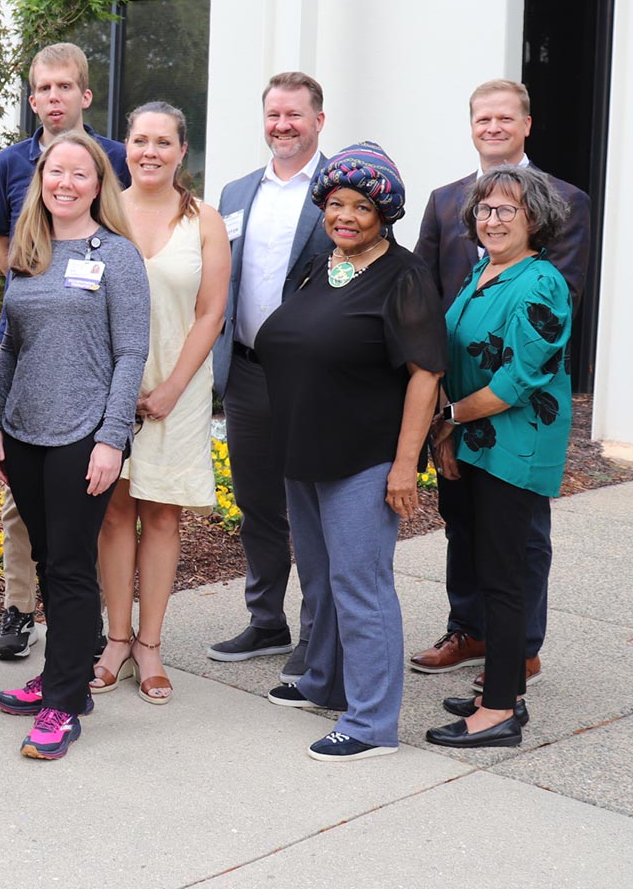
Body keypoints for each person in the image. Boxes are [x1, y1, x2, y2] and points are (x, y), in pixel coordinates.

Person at [259, 144, 446, 761]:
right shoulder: (320, 266)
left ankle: (370, 724)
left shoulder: (406, 275)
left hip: (363, 459)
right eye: (335, 203)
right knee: (320, 581)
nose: (345, 215)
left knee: (361, 586)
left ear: (384, 212)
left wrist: (403, 467)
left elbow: (424, 375)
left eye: (360, 206)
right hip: (304, 452)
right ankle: (324, 680)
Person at [408, 79, 591, 689]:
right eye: (482, 117)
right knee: (465, 528)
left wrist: (456, 410)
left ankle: (517, 652)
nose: (493, 127)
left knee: (517, 542)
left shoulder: (564, 203)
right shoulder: (445, 202)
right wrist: (431, 395)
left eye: (504, 117)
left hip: (508, 415)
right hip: (457, 407)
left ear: (526, 124)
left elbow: (549, 315)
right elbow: (428, 299)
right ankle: (473, 632)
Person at [0, 130, 149, 761]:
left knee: (72, 565)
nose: (66, 183)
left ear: (98, 184)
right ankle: (68, 676)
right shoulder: (26, 250)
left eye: (80, 174)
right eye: (57, 172)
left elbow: (131, 351)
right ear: (41, 179)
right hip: (23, 432)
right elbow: (10, 345)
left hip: (84, 434)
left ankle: (61, 703)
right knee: (50, 557)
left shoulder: (118, 256)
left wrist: (113, 438)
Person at [0, 43, 130, 662]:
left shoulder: (114, 159)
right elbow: (1, 243)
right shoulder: (10, 162)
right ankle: (22, 611)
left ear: (85, 95)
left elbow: (123, 256)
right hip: (29, 342)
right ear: (33, 96)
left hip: (89, 363)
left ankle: (83, 627)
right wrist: (35, 296)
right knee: (27, 510)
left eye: (65, 87)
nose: (53, 98)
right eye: (43, 88)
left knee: (86, 517)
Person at [424, 164, 573, 749]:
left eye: (506, 210)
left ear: (534, 218)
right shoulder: (481, 272)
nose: (492, 219)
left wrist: (448, 419)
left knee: (506, 579)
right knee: (487, 571)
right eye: (485, 209)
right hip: (471, 443)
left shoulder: (541, 282)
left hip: (514, 449)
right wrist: (447, 428)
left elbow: (520, 378)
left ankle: (499, 714)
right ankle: (502, 690)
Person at [95, 103, 229, 705]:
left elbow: (212, 312)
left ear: (182, 151)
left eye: (163, 142)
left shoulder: (205, 219)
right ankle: (116, 640)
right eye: (140, 140)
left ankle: (150, 645)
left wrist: (174, 385)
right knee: (115, 510)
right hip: (106, 382)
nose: (150, 151)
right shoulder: (102, 210)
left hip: (181, 382)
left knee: (163, 513)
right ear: (125, 145)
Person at [207, 71, 334, 683]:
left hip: (313, 382)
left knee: (310, 507)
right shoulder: (235, 192)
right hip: (248, 373)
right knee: (258, 502)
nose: (282, 125)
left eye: (294, 115)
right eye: (273, 115)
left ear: (318, 121)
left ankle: (316, 635)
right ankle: (266, 620)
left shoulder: (339, 191)